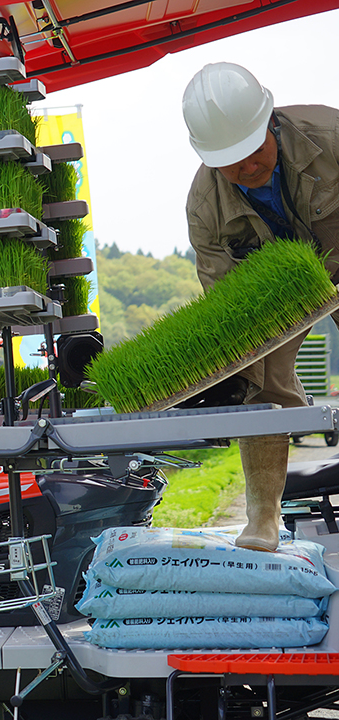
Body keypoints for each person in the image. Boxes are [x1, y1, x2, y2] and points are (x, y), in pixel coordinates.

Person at [182, 61, 339, 551]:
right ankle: (263, 517)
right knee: (261, 380)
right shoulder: (204, 208)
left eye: (253, 151)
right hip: (278, 295)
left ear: (269, 122)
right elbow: (230, 304)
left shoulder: (331, 136)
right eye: (231, 161)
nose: (248, 167)